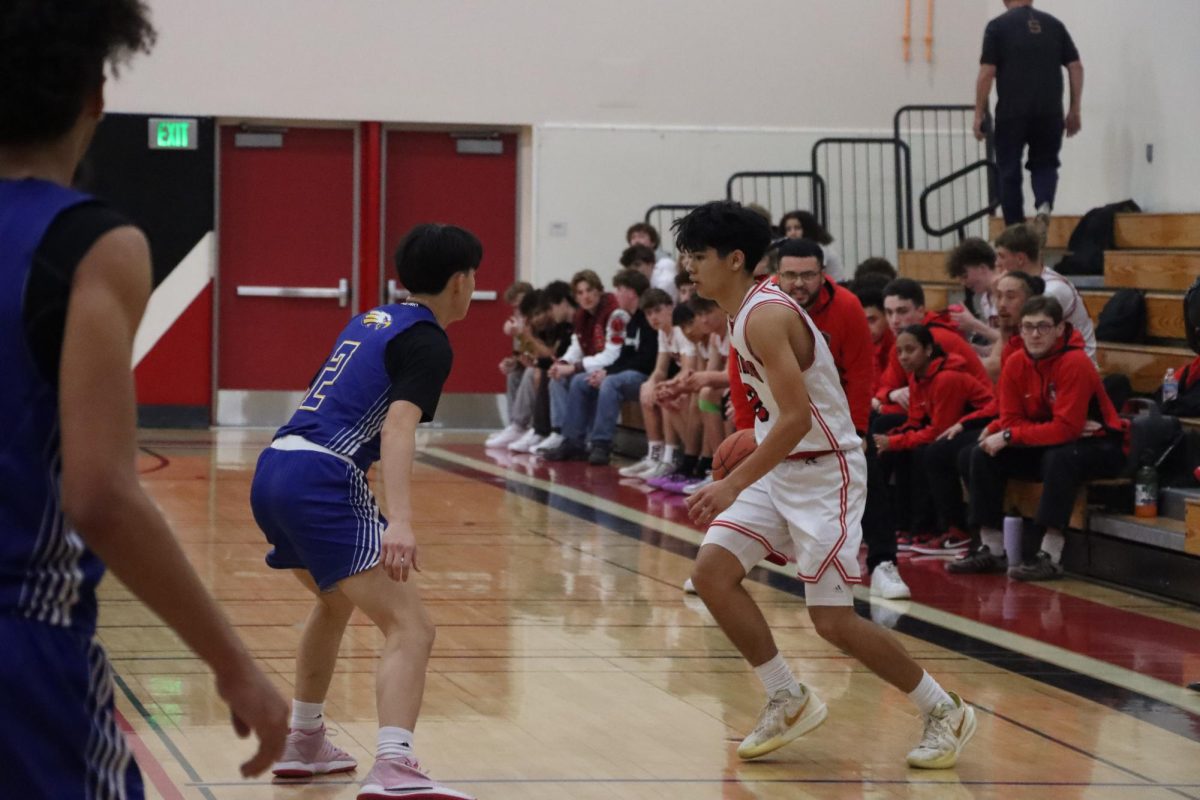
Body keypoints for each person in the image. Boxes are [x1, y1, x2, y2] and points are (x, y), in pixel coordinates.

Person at [0, 2, 287, 796]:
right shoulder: (91, 245)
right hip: (24, 652)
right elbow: (99, 495)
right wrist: (234, 665)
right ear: (97, 92)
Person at [676, 201, 975, 770]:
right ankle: (787, 695)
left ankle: (945, 710)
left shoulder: (763, 315)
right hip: (782, 462)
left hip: (823, 470)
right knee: (711, 574)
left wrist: (732, 483)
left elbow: (794, 419)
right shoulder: (741, 311)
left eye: (698, 256)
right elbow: (777, 418)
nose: (689, 267)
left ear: (735, 259)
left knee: (832, 619)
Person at [250, 224, 481, 798]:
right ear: (460, 281)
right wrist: (398, 521)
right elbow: (398, 427)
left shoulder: (371, 320)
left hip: (275, 465)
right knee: (412, 626)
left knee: (334, 603)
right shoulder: (428, 340)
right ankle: (395, 766)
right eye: (474, 276)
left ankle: (304, 741)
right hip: (322, 475)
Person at [777, 239, 909, 600]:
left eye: (808, 275)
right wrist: (746, 424)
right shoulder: (763, 307)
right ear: (778, 274)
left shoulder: (847, 307)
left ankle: (883, 563)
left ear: (823, 275)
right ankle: (729, 560)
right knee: (751, 480)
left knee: (868, 475)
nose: (799, 283)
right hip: (782, 412)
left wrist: (859, 429)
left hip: (835, 416)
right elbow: (742, 370)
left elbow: (861, 372)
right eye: (790, 274)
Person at [966, 296, 1127, 581]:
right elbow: (1012, 419)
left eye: (1043, 326)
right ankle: (990, 547)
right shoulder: (1015, 363)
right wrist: (1013, 432)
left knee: (1060, 457)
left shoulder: (1075, 362)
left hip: (1103, 446)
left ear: (1060, 329)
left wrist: (1011, 433)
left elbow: (1063, 429)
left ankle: (1050, 555)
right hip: (1049, 442)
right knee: (983, 454)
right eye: (1028, 327)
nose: (1035, 334)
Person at [873, 326, 993, 552]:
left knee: (931, 452)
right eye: (899, 352)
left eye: (910, 350)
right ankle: (907, 526)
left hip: (983, 425)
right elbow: (916, 420)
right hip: (954, 427)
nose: (904, 357)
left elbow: (938, 430)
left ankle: (951, 529)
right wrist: (889, 440)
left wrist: (895, 441)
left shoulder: (946, 378)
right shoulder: (917, 376)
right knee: (901, 448)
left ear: (928, 350)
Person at [975, 0, 1083, 226]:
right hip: (1050, 111)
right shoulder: (1054, 25)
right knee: (1045, 163)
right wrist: (1074, 109)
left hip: (1012, 112)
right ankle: (1044, 205)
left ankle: (1015, 229)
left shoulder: (997, 27)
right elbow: (1075, 66)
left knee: (1009, 169)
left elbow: (987, 73)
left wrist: (979, 114)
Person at [544, 269, 657, 465]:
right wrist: (562, 363)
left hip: (638, 374)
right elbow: (578, 346)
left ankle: (601, 443)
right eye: (580, 293)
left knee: (606, 382)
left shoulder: (619, 315)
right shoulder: (583, 316)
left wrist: (583, 368)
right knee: (576, 380)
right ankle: (570, 439)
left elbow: (618, 355)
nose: (585, 296)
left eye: (589, 290)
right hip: (614, 369)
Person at [995, 222, 1095, 361]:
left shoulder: (1053, 289)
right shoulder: (1021, 285)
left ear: (1020, 259)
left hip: (1074, 364)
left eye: (1002, 256)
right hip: (1045, 356)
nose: (997, 263)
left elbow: (1029, 337)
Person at [945, 237, 1001, 352]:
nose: (964, 283)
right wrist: (975, 349)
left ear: (982, 268)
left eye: (965, 276)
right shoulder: (985, 299)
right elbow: (1000, 346)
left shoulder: (1008, 294)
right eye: (960, 279)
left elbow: (1016, 342)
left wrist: (974, 324)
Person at [779, 209, 844, 280]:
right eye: (788, 229)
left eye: (797, 228)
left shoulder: (820, 248)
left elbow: (814, 275)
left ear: (808, 229)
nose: (792, 233)